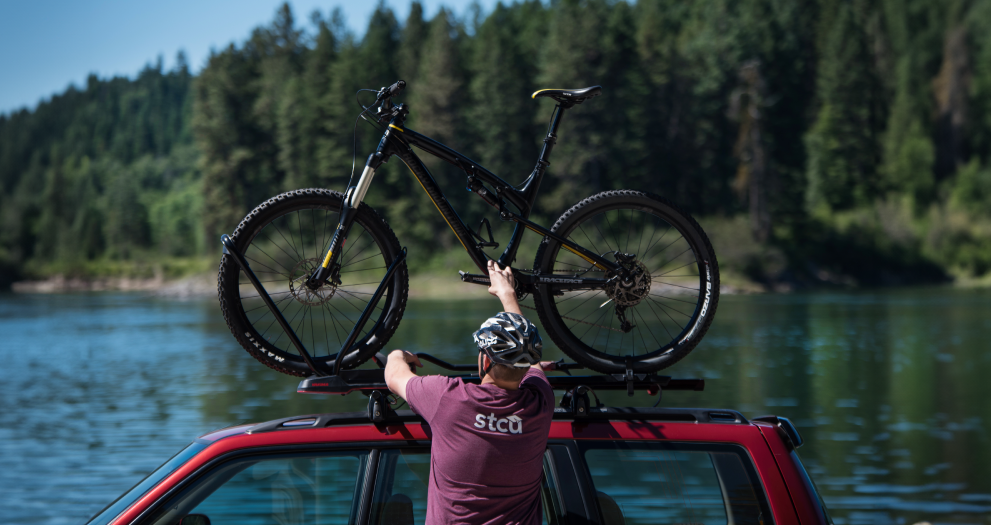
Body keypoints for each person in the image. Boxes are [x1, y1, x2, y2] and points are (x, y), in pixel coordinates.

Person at [384, 259, 556, 525]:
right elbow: (530, 363)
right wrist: (508, 295)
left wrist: (398, 355)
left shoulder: (446, 398)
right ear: (525, 368)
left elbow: (393, 375)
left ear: (484, 361)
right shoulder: (540, 404)